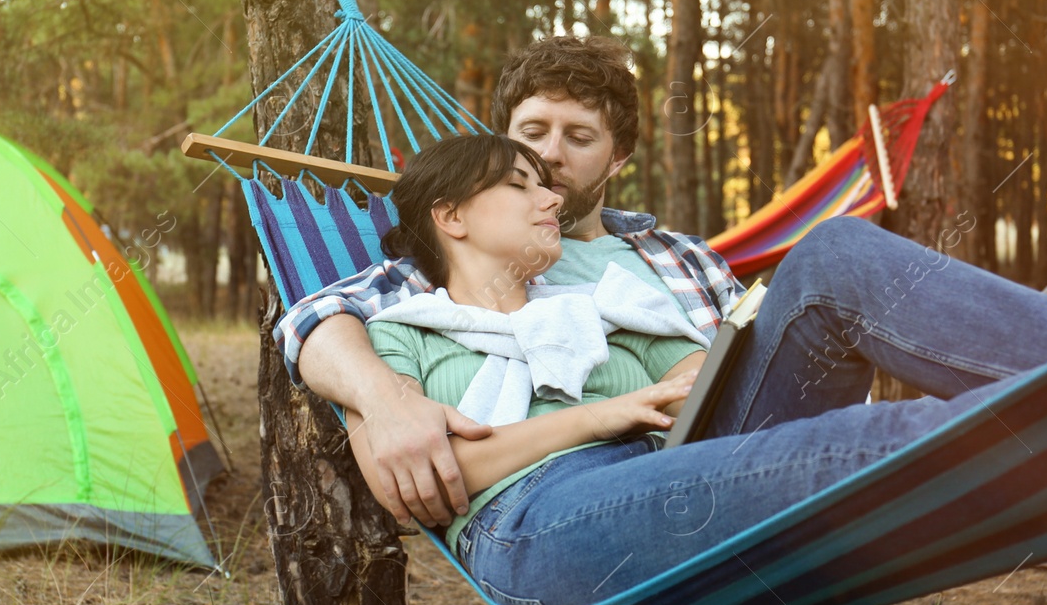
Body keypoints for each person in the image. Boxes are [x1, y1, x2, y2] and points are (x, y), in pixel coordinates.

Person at [356, 134, 1047, 605]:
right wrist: (604, 413)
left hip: (684, 468)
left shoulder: (599, 305)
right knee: (863, 441)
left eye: (545, 182)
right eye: (521, 184)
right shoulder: (395, 338)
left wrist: (699, 373)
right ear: (452, 217)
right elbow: (436, 477)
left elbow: (699, 375)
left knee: (835, 253)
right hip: (539, 523)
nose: (552, 195)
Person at [280, 36, 741, 527]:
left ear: (618, 158)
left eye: (580, 139)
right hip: (567, 503)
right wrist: (385, 401)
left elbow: (746, 378)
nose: (550, 155)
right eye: (532, 132)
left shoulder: (687, 259)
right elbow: (315, 319)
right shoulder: (466, 265)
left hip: (709, 466)